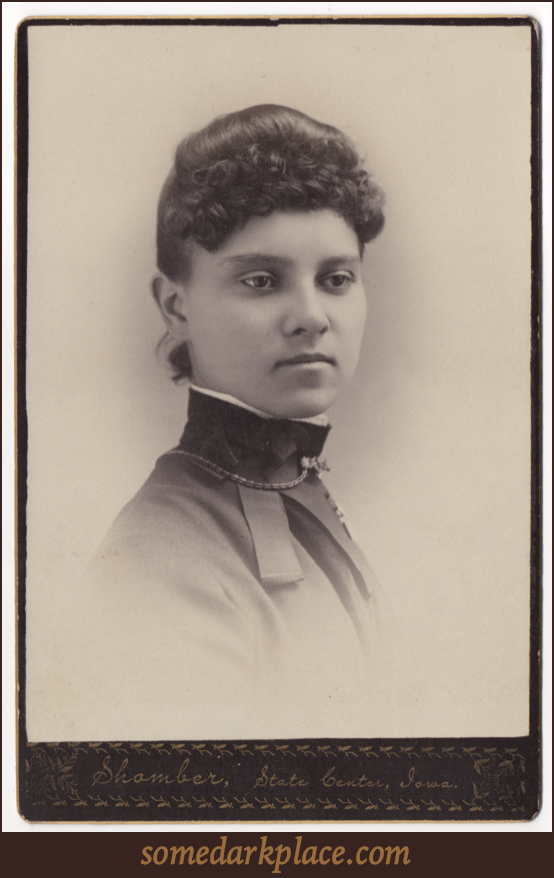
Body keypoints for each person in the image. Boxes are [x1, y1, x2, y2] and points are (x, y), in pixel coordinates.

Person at [71, 105, 386, 740]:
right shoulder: (158, 562)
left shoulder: (299, 489)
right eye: (263, 280)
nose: (311, 316)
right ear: (175, 306)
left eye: (336, 278)